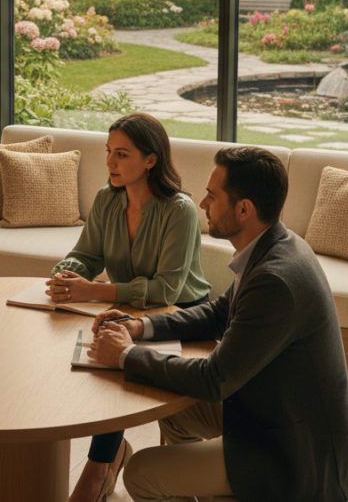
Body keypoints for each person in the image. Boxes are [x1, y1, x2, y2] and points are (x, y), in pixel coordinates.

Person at [88, 145, 348, 502]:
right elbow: (219, 313)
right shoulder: (274, 245)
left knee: (141, 473)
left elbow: (214, 379)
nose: (202, 204)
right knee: (175, 411)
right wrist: (140, 328)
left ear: (243, 209)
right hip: (278, 416)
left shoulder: (275, 279)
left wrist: (126, 356)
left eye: (211, 195)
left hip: (295, 457)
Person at [46, 112, 211, 502]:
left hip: (184, 318)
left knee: (117, 365)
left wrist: (93, 292)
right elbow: (85, 255)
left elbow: (167, 290)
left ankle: (99, 467)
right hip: (129, 311)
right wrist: (66, 275)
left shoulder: (180, 210)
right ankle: (107, 458)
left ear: (150, 160)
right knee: (98, 358)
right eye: (108, 152)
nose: (110, 163)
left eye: (122, 154)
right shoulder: (106, 200)